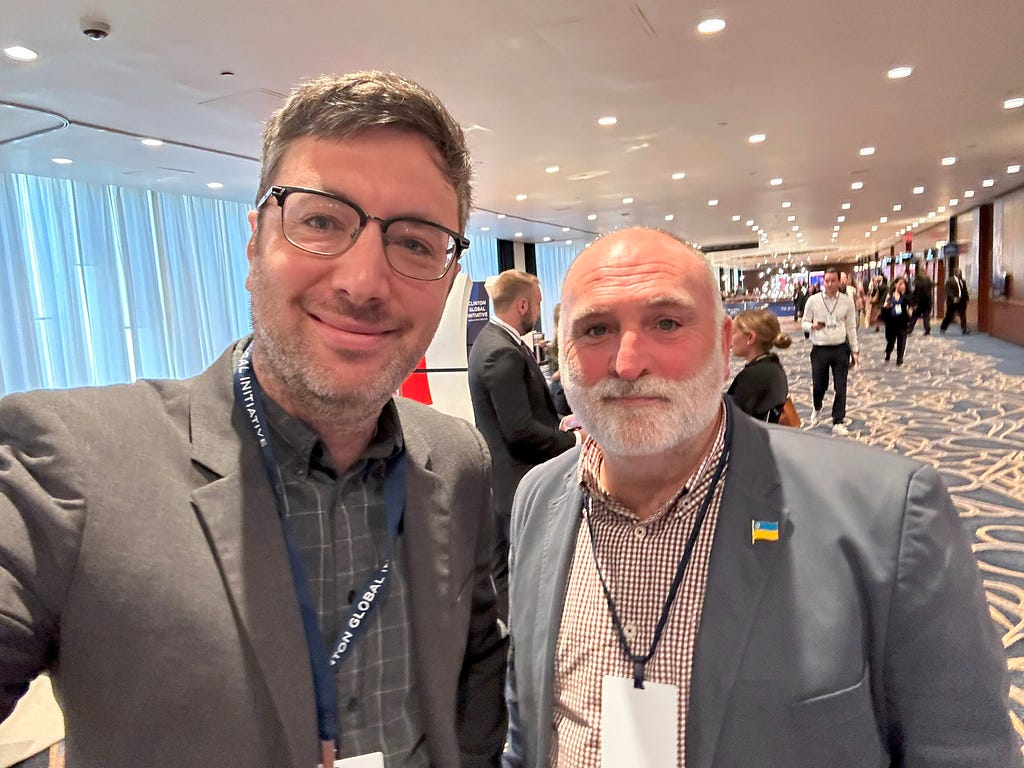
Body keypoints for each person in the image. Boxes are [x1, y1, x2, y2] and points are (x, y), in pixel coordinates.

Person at [0, 71, 507, 768]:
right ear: (254, 242)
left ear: (448, 282)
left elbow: (476, 673)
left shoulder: (457, 461)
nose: (362, 282)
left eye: (416, 242)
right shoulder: (71, 463)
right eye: (323, 221)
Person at [502, 227, 1016, 768]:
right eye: (597, 329)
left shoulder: (890, 516)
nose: (628, 363)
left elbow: (962, 748)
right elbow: (530, 723)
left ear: (726, 347)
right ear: (561, 354)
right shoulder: (539, 499)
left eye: (667, 323)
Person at [468, 270, 578, 619]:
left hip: (508, 482)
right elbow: (519, 431)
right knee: (519, 573)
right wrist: (571, 440)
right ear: (523, 304)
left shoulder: (493, 342)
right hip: (517, 484)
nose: (539, 312)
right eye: (538, 304)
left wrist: (558, 422)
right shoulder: (502, 353)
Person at [801, 268, 859, 436]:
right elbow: (804, 322)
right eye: (827, 280)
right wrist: (812, 326)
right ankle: (817, 407)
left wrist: (855, 349)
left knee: (841, 386)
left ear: (839, 281)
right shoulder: (813, 301)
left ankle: (838, 420)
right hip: (820, 348)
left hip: (840, 348)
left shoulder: (847, 302)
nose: (830, 284)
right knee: (819, 385)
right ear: (823, 282)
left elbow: (851, 327)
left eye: (833, 280)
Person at [726, 308, 792, 421]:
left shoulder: (753, 377)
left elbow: (730, 421)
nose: (729, 338)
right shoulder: (772, 366)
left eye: (733, 332)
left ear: (750, 337)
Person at [882, 276, 911, 365]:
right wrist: (887, 307)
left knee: (902, 340)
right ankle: (888, 353)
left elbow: (910, 307)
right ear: (895, 285)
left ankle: (899, 359)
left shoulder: (906, 296)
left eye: (904, 284)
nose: (903, 286)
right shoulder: (890, 295)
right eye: (900, 284)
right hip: (891, 322)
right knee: (891, 340)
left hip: (902, 322)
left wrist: (910, 311)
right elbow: (884, 305)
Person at [941, 267, 971, 334]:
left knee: (963, 315)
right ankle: (943, 327)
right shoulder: (950, 281)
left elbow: (965, 290)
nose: (960, 273)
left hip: (961, 301)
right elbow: (948, 291)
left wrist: (967, 298)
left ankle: (964, 329)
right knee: (949, 315)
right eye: (958, 272)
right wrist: (953, 298)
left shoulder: (962, 281)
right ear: (955, 273)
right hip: (953, 302)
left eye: (960, 272)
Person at [908, 265, 933, 335]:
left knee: (914, 316)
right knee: (926, 316)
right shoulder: (928, 281)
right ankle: (927, 330)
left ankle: (909, 329)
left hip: (919, 302)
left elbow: (916, 293)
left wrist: (914, 303)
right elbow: (930, 292)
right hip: (927, 302)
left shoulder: (917, 282)